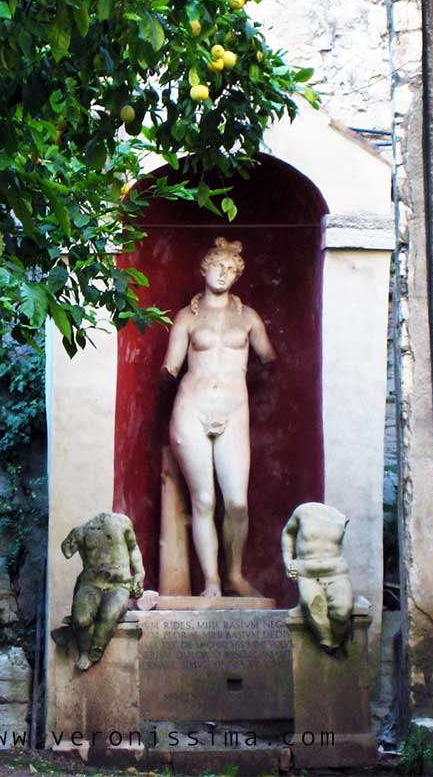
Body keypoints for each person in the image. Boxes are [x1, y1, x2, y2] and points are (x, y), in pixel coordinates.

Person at [161, 237, 276, 598]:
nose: (224, 274)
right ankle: (211, 580)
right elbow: (171, 366)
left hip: (234, 411)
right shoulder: (187, 317)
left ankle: (235, 576)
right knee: (205, 501)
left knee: (237, 502)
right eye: (218, 266)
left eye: (232, 269)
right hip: (192, 410)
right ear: (204, 268)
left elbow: (269, 357)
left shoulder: (248, 317)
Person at [52, 511, 144, 671]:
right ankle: (82, 649)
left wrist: (139, 574)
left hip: (118, 584)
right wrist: (72, 539)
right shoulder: (81, 531)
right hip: (91, 584)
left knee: (110, 615)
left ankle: (95, 650)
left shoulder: (122, 522)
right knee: (81, 620)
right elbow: (66, 551)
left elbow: (133, 548)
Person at [281, 502, 353, 650]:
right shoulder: (303, 511)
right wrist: (289, 561)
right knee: (314, 607)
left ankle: (338, 642)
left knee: (342, 611)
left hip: (336, 573)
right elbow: (288, 533)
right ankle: (327, 643)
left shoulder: (340, 518)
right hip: (308, 574)